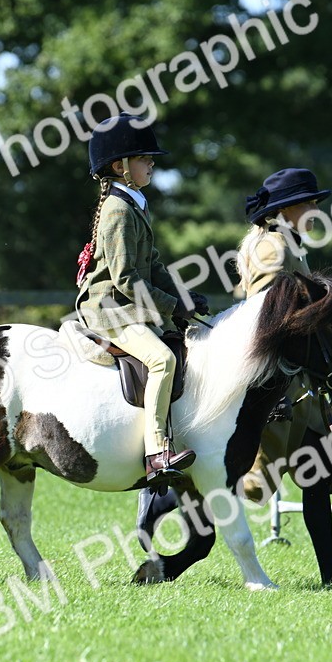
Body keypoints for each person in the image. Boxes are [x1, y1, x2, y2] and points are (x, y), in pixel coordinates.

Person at [137, 167, 332, 584]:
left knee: (317, 471)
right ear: (286, 209)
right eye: (309, 202)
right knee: (236, 475)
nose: (316, 209)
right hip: (277, 383)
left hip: (298, 381)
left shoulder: (287, 242)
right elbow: (264, 315)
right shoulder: (271, 249)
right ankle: (161, 498)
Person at [75, 113, 207, 482]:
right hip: (109, 308)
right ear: (120, 166)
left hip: (126, 302)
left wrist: (183, 296)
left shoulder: (135, 202)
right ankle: (156, 452)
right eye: (144, 158)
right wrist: (173, 305)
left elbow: (154, 265)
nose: (152, 163)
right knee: (162, 359)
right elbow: (126, 279)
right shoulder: (119, 210)